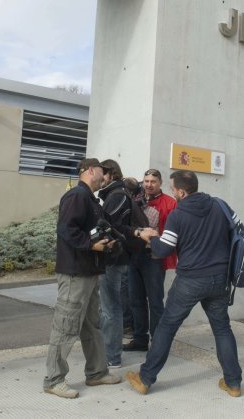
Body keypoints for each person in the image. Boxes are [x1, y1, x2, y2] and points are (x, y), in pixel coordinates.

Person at [126, 170, 243, 397]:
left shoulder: (178, 215)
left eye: (172, 189)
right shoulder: (220, 205)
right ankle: (234, 383)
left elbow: (163, 250)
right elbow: (238, 230)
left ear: (181, 191)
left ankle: (145, 378)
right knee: (222, 328)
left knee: (167, 327)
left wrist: (149, 236)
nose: (172, 193)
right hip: (220, 278)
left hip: (190, 280)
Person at [43, 158, 122, 399]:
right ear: (90, 171)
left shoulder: (91, 199)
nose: (105, 176)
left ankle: (97, 372)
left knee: (92, 325)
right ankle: (53, 380)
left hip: (89, 272)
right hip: (75, 274)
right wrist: (91, 245)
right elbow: (66, 229)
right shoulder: (77, 196)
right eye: (102, 172)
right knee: (66, 326)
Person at [123, 168, 177, 352]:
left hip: (154, 258)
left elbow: (173, 232)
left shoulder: (170, 203)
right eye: (146, 181)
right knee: (136, 300)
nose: (148, 185)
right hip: (134, 256)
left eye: (153, 181)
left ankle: (158, 341)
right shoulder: (134, 200)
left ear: (160, 182)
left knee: (155, 301)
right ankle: (140, 339)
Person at [97, 160, 142, 369]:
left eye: (102, 174)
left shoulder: (116, 196)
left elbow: (111, 227)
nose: (99, 177)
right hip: (118, 258)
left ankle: (112, 357)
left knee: (111, 308)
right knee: (111, 306)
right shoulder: (117, 194)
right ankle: (109, 352)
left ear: (111, 174)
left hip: (114, 258)